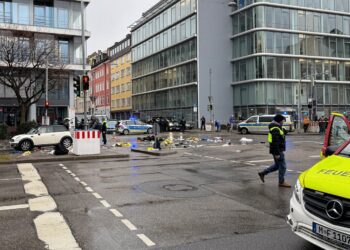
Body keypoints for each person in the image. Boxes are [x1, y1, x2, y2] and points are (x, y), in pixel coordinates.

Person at [258, 114, 291, 188]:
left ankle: (263, 173)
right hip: (278, 150)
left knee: (277, 166)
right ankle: (281, 182)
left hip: (276, 150)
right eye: (283, 120)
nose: (283, 122)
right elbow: (275, 142)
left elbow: (280, 135)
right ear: (279, 120)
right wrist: (277, 153)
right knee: (283, 166)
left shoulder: (276, 127)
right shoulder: (275, 129)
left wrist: (283, 131)